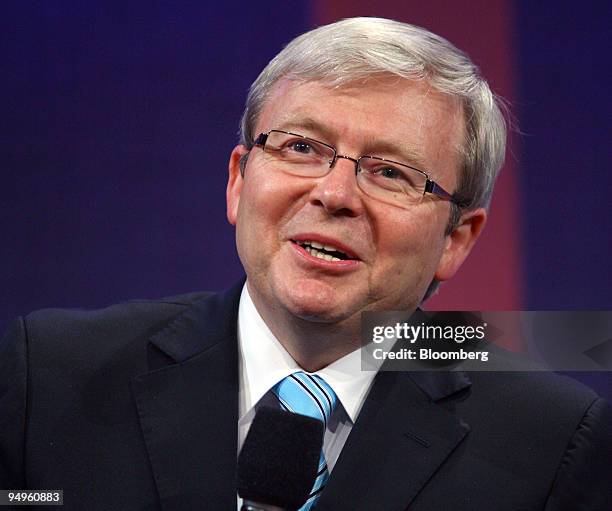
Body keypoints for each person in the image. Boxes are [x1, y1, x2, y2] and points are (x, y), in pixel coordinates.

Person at [1, 17, 610, 511]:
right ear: (239, 181)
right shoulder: (50, 375)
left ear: (457, 238)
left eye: (392, 173)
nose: (335, 194)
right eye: (300, 148)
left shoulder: (554, 445)